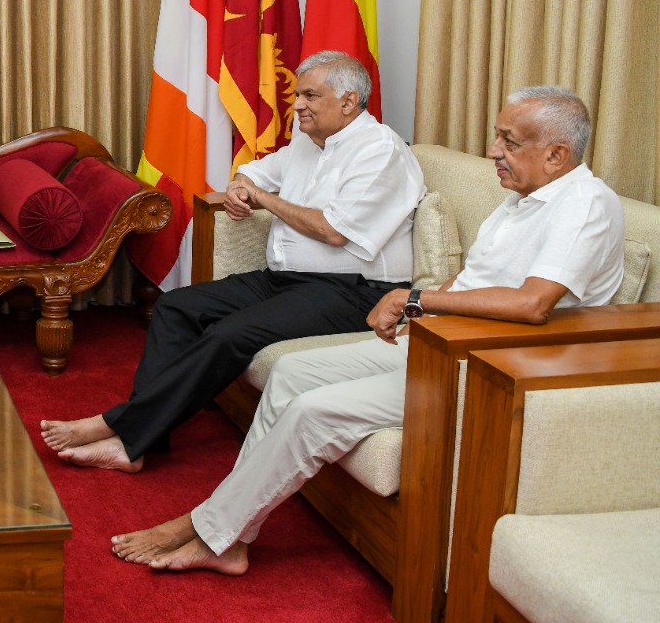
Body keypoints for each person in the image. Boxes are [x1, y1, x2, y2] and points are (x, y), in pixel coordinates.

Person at [115, 86, 623, 574]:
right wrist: (418, 316)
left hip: (491, 366)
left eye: (508, 141)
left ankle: (211, 530)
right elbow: (476, 280)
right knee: (289, 375)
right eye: (497, 136)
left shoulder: (585, 206)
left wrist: (416, 299)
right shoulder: (523, 197)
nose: (493, 150)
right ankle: (232, 535)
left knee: (312, 411)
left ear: (556, 155)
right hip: (440, 339)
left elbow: (533, 304)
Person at [42, 51, 424, 472]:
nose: (297, 105)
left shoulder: (379, 151)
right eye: (297, 95)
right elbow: (257, 171)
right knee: (176, 307)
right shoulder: (308, 142)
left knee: (228, 334)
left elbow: (334, 231)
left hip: (353, 292)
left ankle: (124, 433)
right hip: (287, 280)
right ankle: (142, 438)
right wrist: (243, 185)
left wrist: (263, 199)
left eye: (310, 96)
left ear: (349, 101)